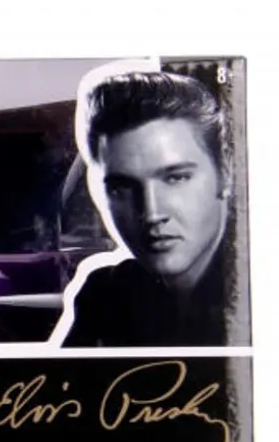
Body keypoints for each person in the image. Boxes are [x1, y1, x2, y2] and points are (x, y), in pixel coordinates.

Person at [60, 71, 233, 347]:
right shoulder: (105, 295)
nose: (152, 213)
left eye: (176, 178)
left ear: (225, 173)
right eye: (122, 188)